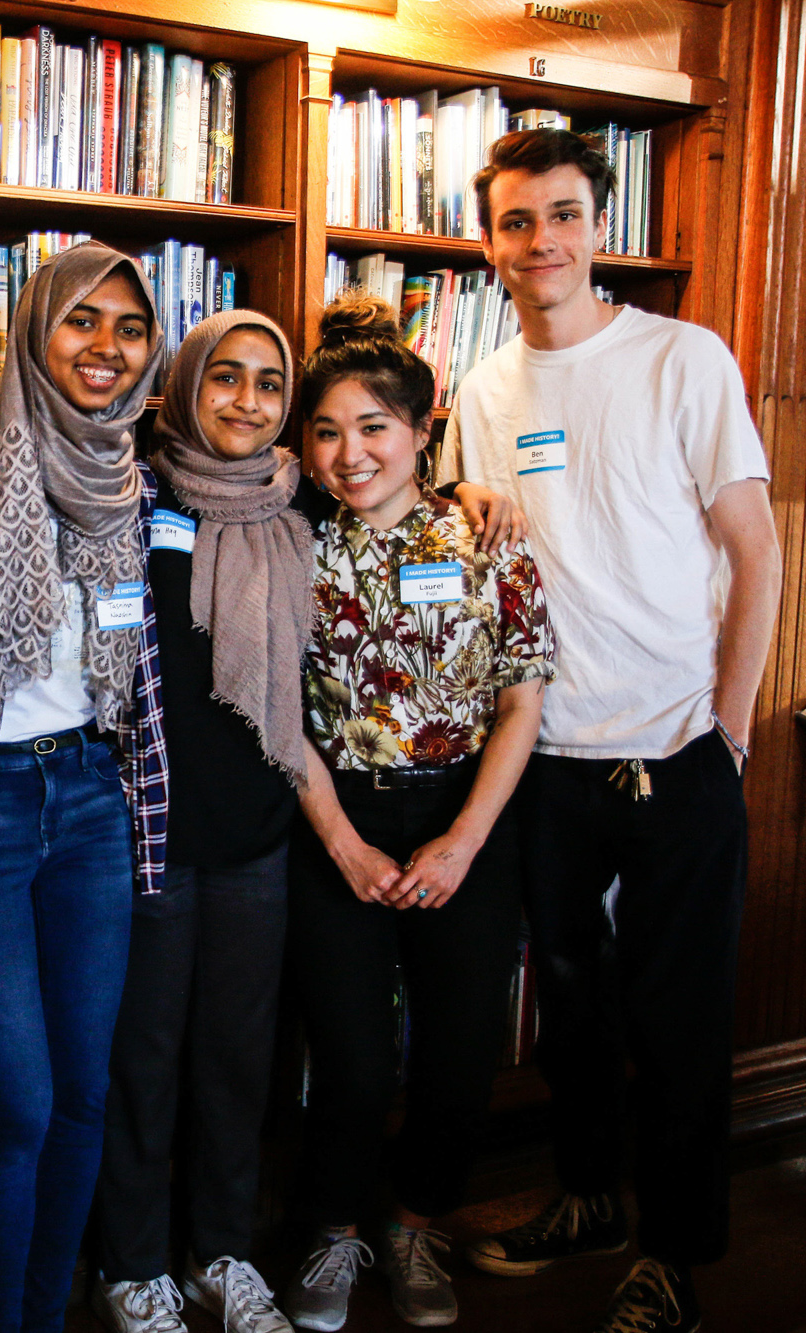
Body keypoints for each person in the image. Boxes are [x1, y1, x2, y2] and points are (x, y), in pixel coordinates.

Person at [439, 128, 781, 1333]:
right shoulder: (480, 393)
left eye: (565, 214)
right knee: (571, 1010)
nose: (543, 242)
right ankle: (586, 1194)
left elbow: (753, 553)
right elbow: (483, 560)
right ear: (489, 243)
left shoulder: (680, 359)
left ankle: (674, 1257)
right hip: (541, 757)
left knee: (677, 1018)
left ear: (599, 225)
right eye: (517, 221)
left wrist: (726, 735)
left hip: (676, 749)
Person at [0, 243, 168, 1333]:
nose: (104, 347)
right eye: (79, 320)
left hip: (93, 801)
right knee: (15, 1099)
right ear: (31, 330)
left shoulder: (132, 478)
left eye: (127, 326)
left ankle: (43, 1316)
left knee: (83, 1095)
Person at [282, 293, 553, 1332]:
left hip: (466, 816)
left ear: (419, 431)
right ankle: (334, 1232)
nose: (350, 453)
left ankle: (411, 1221)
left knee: (454, 1053)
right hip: (332, 821)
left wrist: (460, 842)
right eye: (326, 430)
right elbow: (273, 708)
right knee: (347, 1058)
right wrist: (342, 842)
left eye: (373, 427)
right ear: (304, 445)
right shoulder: (287, 543)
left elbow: (522, 696)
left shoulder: (485, 533)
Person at [90, 310, 309, 1333]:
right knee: (141, 1058)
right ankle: (132, 1265)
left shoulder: (303, 508)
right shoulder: (123, 493)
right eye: (224, 377)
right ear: (180, 385)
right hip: (146, 836)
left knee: (235, 1060)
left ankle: (219, 1253)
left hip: (257, 841)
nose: (247, 402)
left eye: (269, 383)